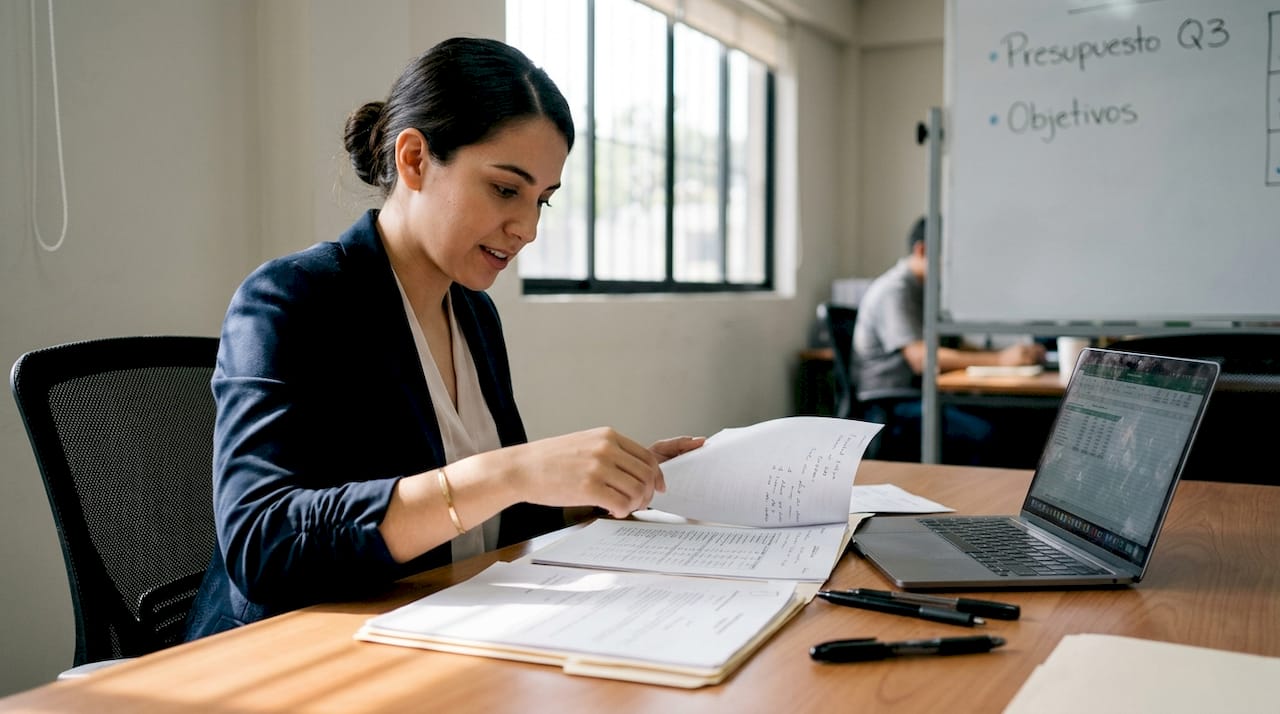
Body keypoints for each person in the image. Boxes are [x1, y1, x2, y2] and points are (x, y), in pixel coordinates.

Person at [185, 37, 703, 640]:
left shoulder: (475, 316)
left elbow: (489, 519)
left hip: (440, 631)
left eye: (542, 201)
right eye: (506, 190)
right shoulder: (291, 297)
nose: (528, 228)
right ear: (413, 160)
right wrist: (511, 472)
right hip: (292, 655)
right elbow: (262, 543)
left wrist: (603, 486)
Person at [852, 216, 1044, 463]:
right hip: (892, 403)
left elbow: (953, 346)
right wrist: (999, 359)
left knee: (1016, 420)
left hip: (923, 394)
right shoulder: (895, 290)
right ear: (922, 250)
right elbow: (922, 358)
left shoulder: (926, 290)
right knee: (986, 433)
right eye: (949, 260)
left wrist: (1009, 357)